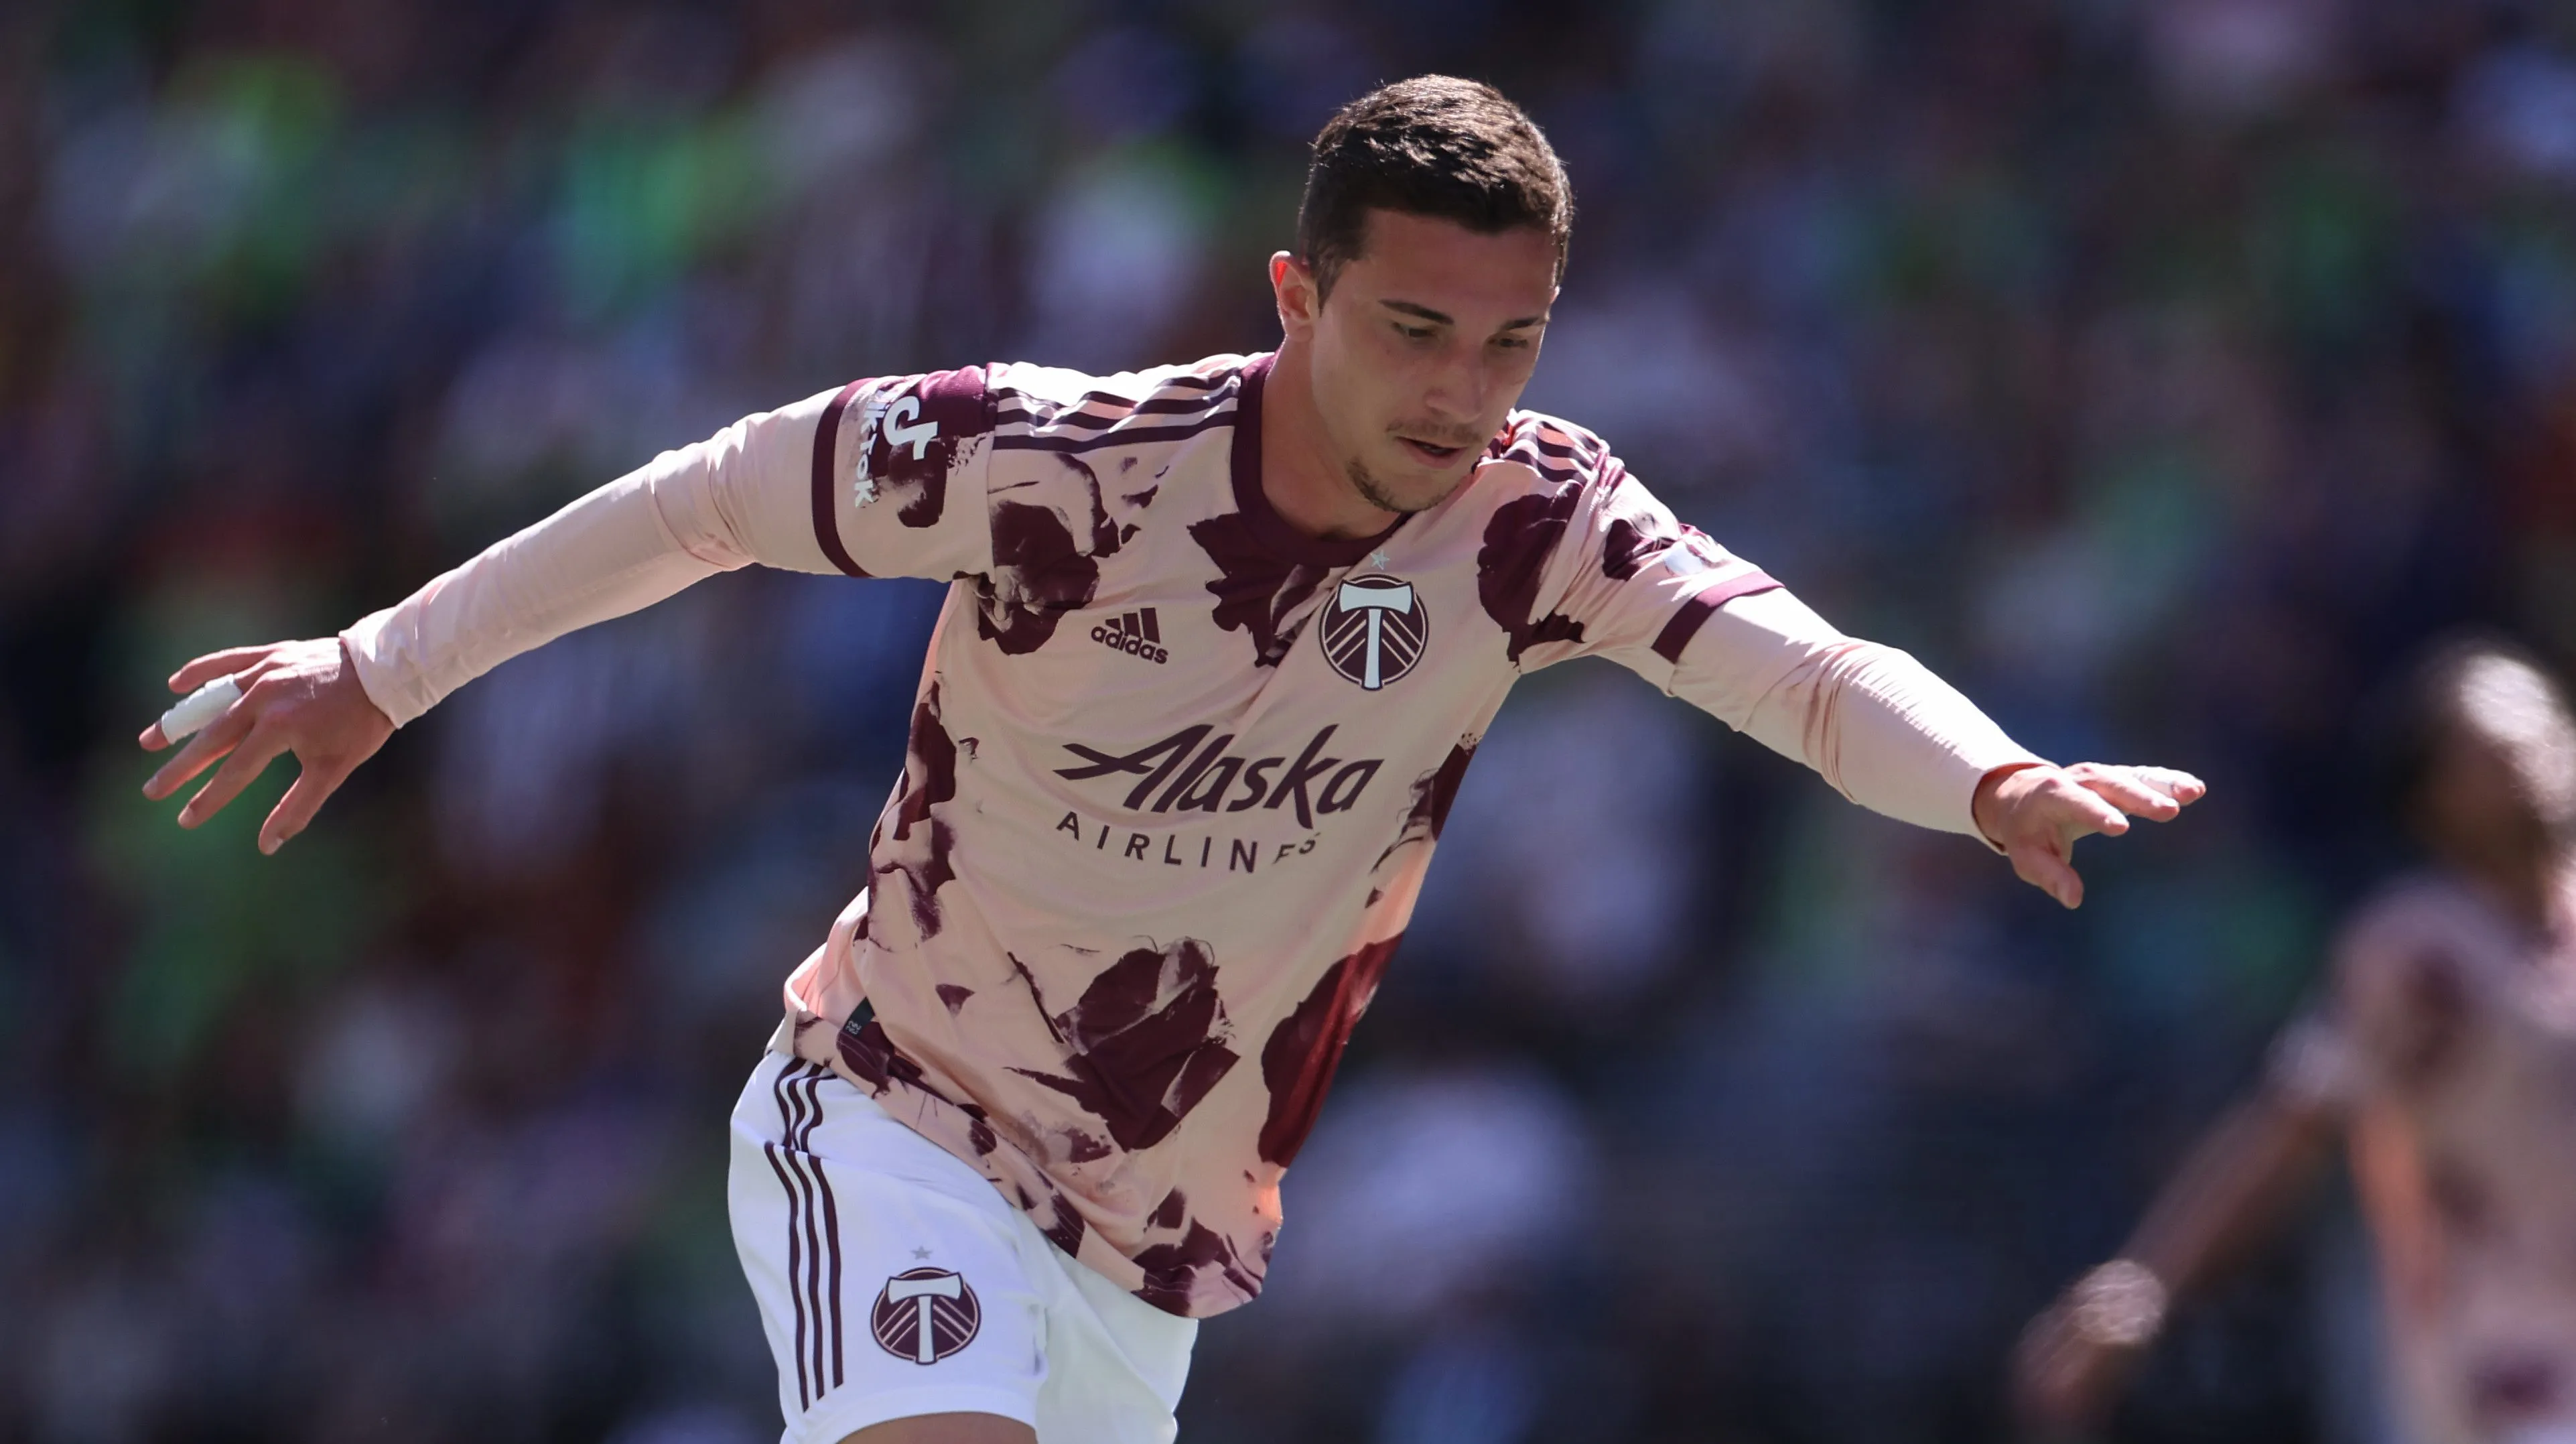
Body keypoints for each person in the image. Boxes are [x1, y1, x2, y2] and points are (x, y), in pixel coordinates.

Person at [139, 77, 2202, 1444]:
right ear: (1296, 294)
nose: (1463, 393)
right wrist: (383, 663)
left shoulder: (1536, 527)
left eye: (1511, 344)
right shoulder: (1047, 463)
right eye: (1412, 330)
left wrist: (1991, 775)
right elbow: (709, 497)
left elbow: (1807, 671)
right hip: (895, 1116)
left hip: (1155, 1240)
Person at [2014, 639, 2576, 1444]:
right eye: (2485, 749)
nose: (2525, 754)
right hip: (2514, 1365)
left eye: (2539, 728)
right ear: (2427, 795)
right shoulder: (2423, 958)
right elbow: (2291, 1127)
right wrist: (2151, 1281)